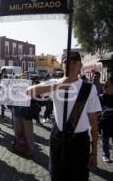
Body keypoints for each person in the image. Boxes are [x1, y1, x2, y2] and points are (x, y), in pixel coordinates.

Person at [27, 52, 101, 181]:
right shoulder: (54, 83)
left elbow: (93, 123)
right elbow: (29, 92)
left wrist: (94, 152)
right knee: (57, 175)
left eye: (74, 62)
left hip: (80, 140)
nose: (71, 66)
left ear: (80, 66)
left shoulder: (89, 88)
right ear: (62, 65)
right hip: (59, 138)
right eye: (67, 62)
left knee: (80, 176)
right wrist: (59, 86)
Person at [99, 76, 113, 163]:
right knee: (105, 139)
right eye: (110, 86)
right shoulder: (101, 97)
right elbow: (98, 110)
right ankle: (106, 155)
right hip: (105, 121)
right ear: (106, 87)